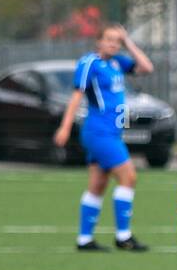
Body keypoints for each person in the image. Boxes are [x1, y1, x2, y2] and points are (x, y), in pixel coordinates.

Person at [55, 24, 153, 251]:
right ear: (98, 40)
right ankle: (123, 237)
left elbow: (147, 67)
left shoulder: (117, 62)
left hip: (111, 132)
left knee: (98, 185)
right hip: (100, 132)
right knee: (129, 177)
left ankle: (84, 240)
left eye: (117, 41)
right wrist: (65, 126)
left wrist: (128, 42)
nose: (113, 44)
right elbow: (76, 95)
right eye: (109, 39)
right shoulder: (90, 63)